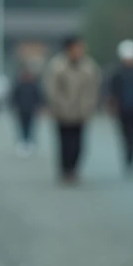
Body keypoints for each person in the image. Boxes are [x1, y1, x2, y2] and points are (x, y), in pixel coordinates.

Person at [43, 35, 101, 184]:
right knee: (64, 142)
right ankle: (65, 170)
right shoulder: (57, 66)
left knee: (78, 144)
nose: (79, 51)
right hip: (62, 112)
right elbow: (51, 89)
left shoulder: (89, 66)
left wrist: (89, 105)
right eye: (76, 47)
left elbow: (93, 88)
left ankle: (74, 169)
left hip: (81, 112)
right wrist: (59, 105)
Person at [106, 39, 133, 175]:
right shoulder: (117, 73)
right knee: (125, 135)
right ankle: (127, 157)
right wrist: (112, 105)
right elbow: (111, 91)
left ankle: (132, 158)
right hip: (122, 109)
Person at [10, 66, 44, 157]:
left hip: (31, 110)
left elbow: (39, 97)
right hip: (21, 110)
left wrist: (40, 107)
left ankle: (29, 142)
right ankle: (22, 142)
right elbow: (13, 97)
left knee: (30, 126)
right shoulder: (19, 85)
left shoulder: (34, 86)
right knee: (21, 126)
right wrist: (13, 105)